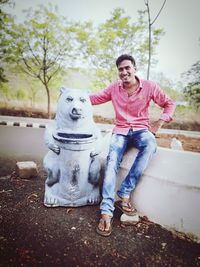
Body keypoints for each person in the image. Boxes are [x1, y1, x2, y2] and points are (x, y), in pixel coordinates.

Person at [89, 54, 176, 236]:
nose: (124, 72)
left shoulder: (150, 87)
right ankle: (106, 210)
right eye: (120, 69)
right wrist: (73, 96)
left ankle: (125, 191)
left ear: (135, 68)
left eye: (127, 67)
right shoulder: (114, 88)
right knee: (112, 160)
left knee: (150, 145)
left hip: (140, 130)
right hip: (120, 131)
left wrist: (159, 122)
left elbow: (169, 104)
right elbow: (95, 98)